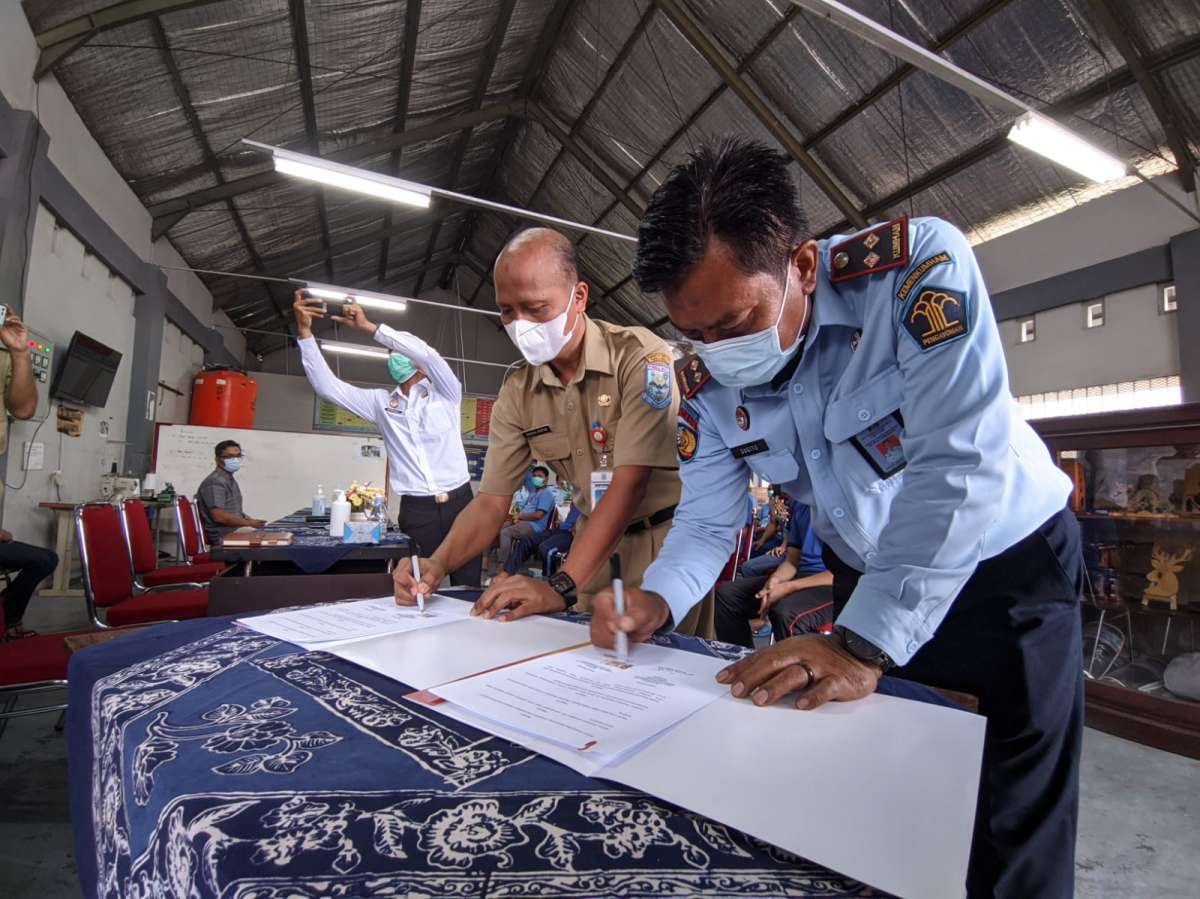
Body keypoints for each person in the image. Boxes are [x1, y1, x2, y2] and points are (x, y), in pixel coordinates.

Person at [592, 137, 1081, 897]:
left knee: (1008, 813)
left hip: (1003, 563)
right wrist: (658, 595)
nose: (717, 352)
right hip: (866, 574)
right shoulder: (699, 382)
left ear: (805, 265)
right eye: (696, 333)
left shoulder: (916, 271)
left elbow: (958, 466)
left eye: (735, 321)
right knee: (882, 785)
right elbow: (710, 519)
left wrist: (861, 643)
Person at [393, 227, 695, 629]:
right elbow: (490, 502)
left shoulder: (639, 358)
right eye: (507, 311)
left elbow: (629, 483)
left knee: (668, 674)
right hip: (591, 550)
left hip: (665, 548)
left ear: (579, 297)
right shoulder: (519, 388)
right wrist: (437, 562)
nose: (521, 325)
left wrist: (560, 584)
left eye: (535, 308)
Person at [293, 291, 480, 585]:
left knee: (467, 583)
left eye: (399, 352)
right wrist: (304, 333)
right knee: (418, 585)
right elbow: (328, 387)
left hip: (461, 503)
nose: (394, 357)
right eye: (391, 354)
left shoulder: (446, 393)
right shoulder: (381, 404)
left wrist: (370, 328)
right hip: (418, 510)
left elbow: (427, 355)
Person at [0, 309, 59, 639]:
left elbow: (23, 409)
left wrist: (19, 352)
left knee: (44, 558)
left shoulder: (5, 350)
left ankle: (8, 619)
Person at [715, 509, 832, 648]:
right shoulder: (801, 504)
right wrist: (775, 580)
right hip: (800, 577)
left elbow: (848, 574)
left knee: (786, 612)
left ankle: (793, 668)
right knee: (727, 594)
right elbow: (791, 561)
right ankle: (742, 658)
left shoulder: (844, 504)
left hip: (835, 585)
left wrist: (788, 587)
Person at [196, 440, 267, 542]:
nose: (235, 460)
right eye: (229, 456)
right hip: (223, 535)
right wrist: (249, 523)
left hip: (234, 530)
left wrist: (250, 520)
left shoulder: (229, 480)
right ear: (217, 460)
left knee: (271, 534)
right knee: (266, 539)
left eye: (238, 456)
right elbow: (219, 516)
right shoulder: (215, 482)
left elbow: (235, 512)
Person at [495, 465, 557, 570]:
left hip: (534, 526)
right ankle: (487, 560)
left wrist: (520, 517)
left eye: (540, 476)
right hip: (523, 521)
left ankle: (503, 566)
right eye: (534, 476)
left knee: (506, 532)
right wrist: (517, 517)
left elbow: (539, 515)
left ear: (546, 479)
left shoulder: (546, 494)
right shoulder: (533, 493)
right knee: (498, 528)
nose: (536, 478)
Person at [503, 503, 581, 577]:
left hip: (573, 533)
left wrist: (579, 527)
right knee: (526, 540)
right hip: (561, 529)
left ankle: (549, 578)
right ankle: (508, 573)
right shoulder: (578, 497)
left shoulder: (591, 500)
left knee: (546, 549)